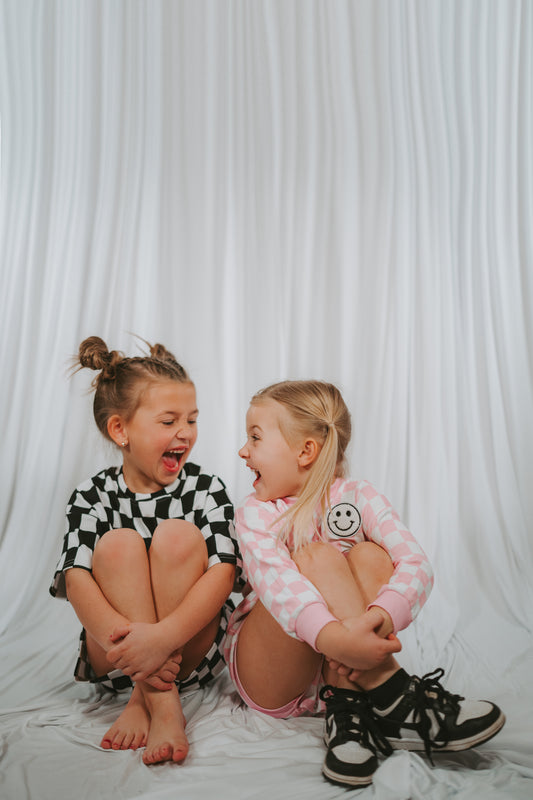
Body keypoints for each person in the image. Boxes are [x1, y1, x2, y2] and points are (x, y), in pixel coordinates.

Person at [225, 380, 505, 788]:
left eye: (254, 437)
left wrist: (379, 617)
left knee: (373, 555)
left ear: (305, 451)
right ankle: (392, 688)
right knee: (316, 556)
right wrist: (335, 637)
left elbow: (416, 563)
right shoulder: (256, 513)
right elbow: (277, 583)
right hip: (272, 672)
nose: (243, 451)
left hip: (337, 671)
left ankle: (350, 712)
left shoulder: (359, 496)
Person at [50, 336, 241, 765]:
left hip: (189, 653)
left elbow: (224, 573)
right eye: (169, 421)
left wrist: (163, 638)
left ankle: (146, 698)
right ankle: (161, 699)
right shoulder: (92, 495)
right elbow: (75, 578)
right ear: (121, 430)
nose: (185, 432)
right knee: (117, 544)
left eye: (192, 420)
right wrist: (140, 650)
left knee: (177, 536)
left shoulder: (206, 489)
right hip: (117, 657)